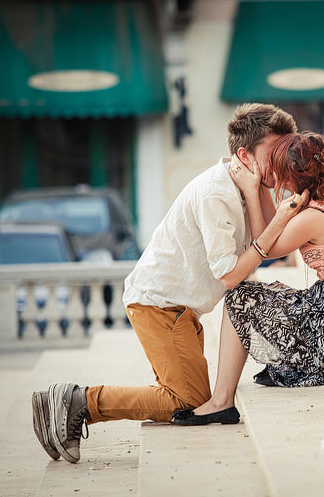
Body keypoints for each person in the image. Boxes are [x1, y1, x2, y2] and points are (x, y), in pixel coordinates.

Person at [31, 103, 307, 463]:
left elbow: (267, 237)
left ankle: (77, 401)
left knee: (198, 397)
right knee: (187, 401)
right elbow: (230, 274)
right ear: (245, 155)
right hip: (158, 305)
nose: (282, 160)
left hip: (181, 309)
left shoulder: (244, 185)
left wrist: (262, 191)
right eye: (275, 153)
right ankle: (78, 401)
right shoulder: (217, 193)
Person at [171, 131, 324, 425]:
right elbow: (276, 224)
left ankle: (221, 401)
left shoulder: (312, 218)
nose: (271, 176)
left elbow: (264, 244)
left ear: (287, 176)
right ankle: (235, 391)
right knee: (271, 293)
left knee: (240, 297)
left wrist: (253, 188)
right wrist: (263, 190)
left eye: (276, 172)